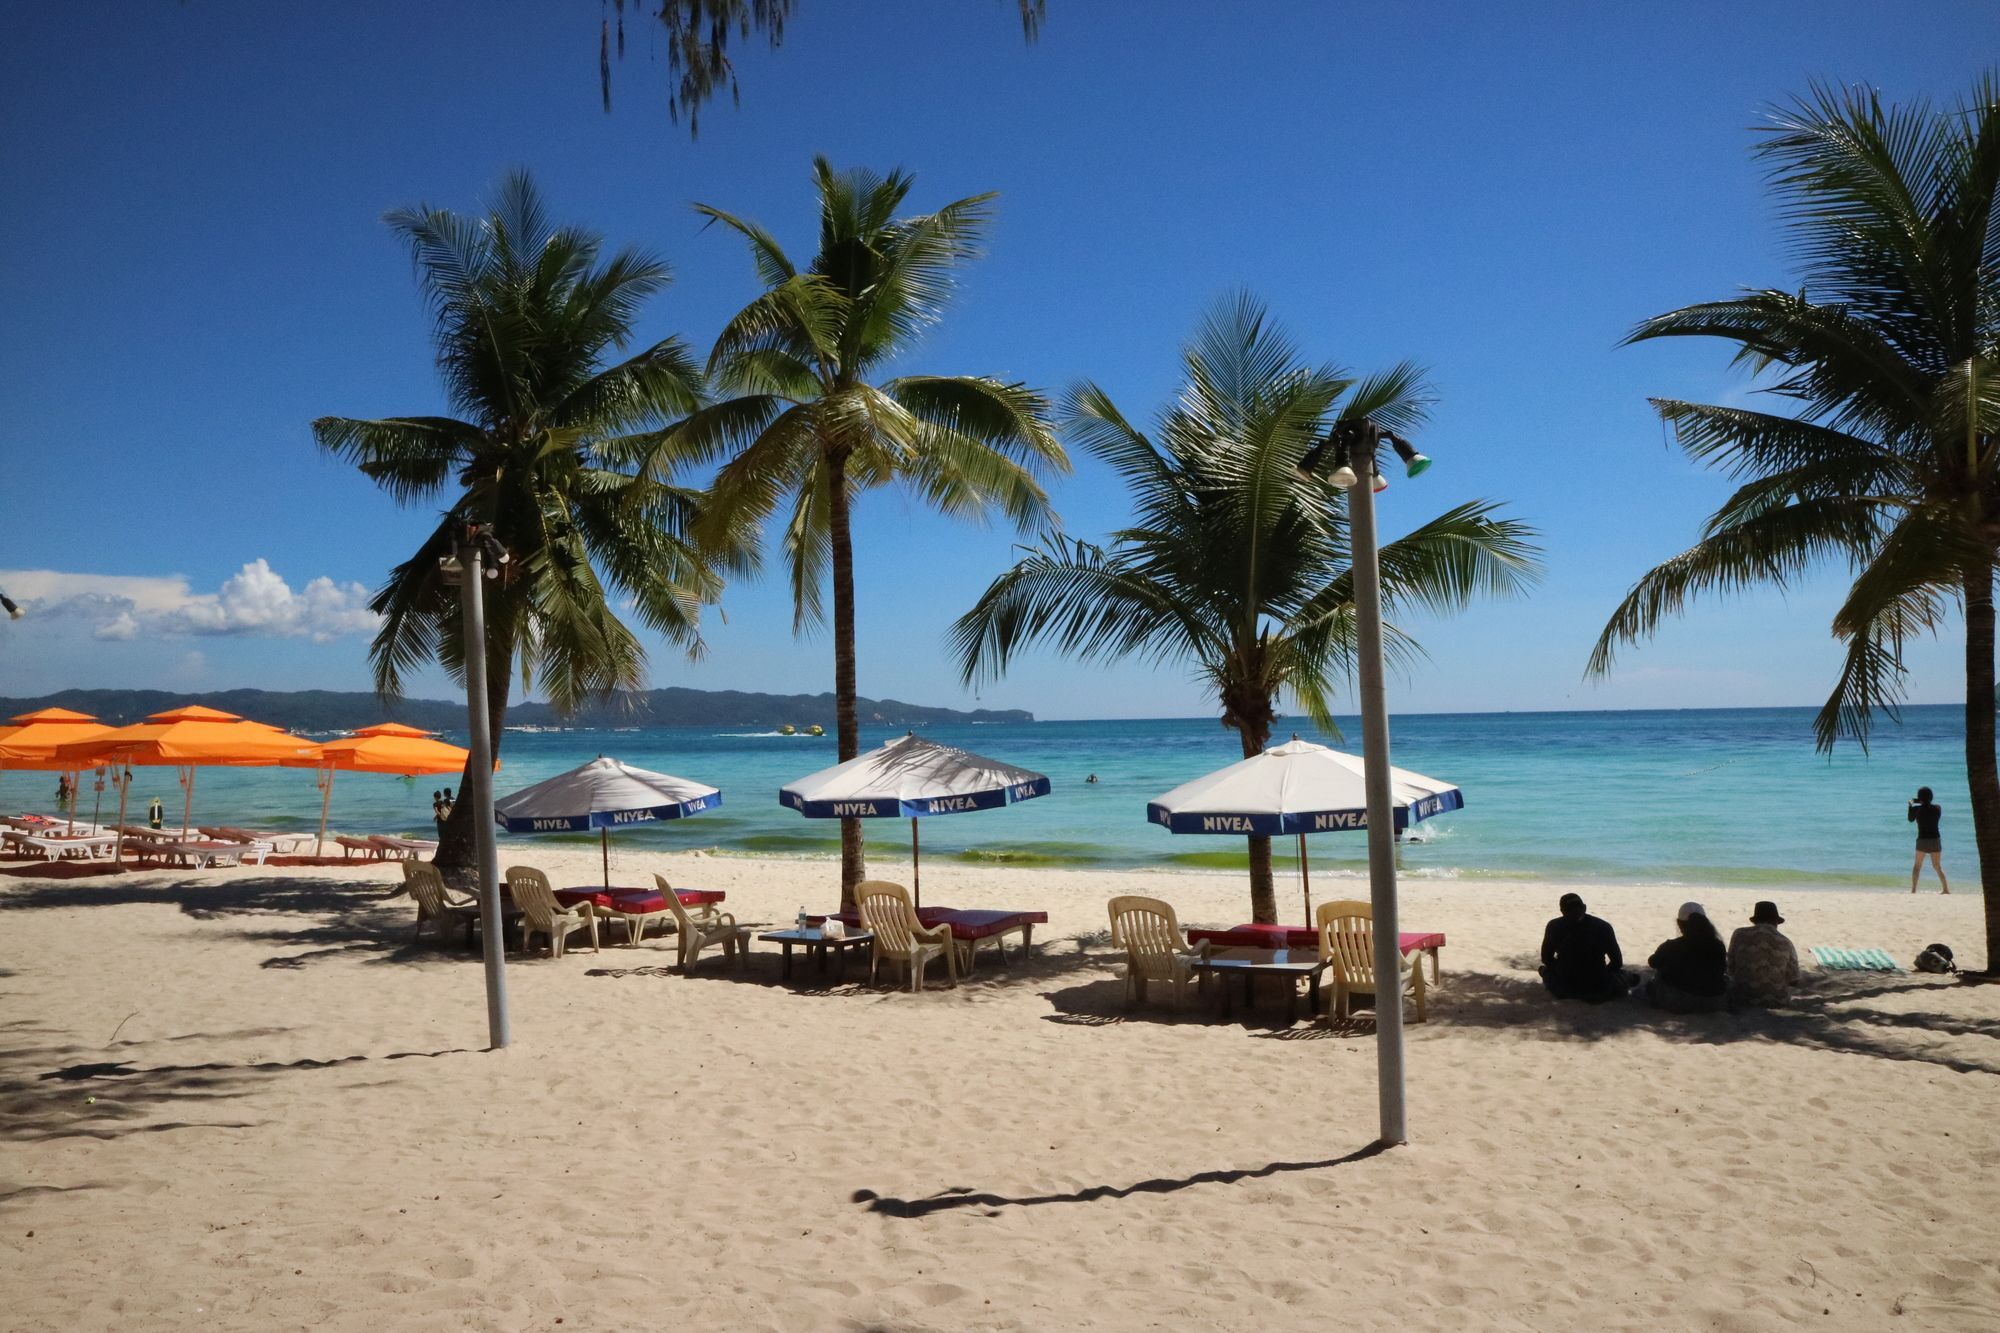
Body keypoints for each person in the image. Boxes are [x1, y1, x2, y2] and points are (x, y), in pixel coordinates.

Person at [1539, 892, 1635, 1002]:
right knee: (1619, 975)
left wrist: (1563, 969)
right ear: (1584, 907)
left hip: (1565, 987)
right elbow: (1617, 962)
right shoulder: (1603, 927)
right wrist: (1600, 975)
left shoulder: (1554, 926)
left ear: (1562, 911)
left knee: (1544, 970)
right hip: (1598, 988)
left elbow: (1546, 958)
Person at [1647, 902, 1729, 1012]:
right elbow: (1721, 970)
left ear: (1679, 924)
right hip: (1715, 1001)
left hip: (1681, 1002)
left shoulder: (1671, 946)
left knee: (1658, 977)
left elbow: (1653, 962)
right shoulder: (1718, 945)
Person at [1727, 900, 1801, 1007]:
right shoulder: (1785, 942)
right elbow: (1794, 980)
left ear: (1755, 921)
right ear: (1776, 922)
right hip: (1778, 1001)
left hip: (1742, 998)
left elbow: (1731, 968)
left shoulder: (1739, 934)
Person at [1908, 787, 1949, 894]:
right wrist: (1922, 801)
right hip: (1935, 839)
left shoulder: (1916, 809)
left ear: (1919, 797)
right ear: (1931, 797)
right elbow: (1928, 806)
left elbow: (1910, 819)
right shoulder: (1937, 808)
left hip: (1922, 840)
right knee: (1937, 866)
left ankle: (1913, 890)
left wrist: (1911, 804)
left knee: (1917, 866)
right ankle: (1945, 889)